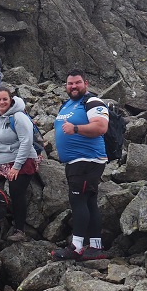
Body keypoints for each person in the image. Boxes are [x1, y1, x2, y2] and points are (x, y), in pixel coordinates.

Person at [50, 69, 109, 261]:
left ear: (86, 83)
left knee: (78, 201)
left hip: (87, 160)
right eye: (70, 83)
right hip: (75, 162)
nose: (73, 86)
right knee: (89, 201)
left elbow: (101, 127)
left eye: (77, 83)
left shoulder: (92, 102)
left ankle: (76, 247)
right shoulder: (68, 104)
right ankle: (95, 247)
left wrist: (75, 128)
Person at [0, 87, 40, 242]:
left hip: (22, 159)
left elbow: (27, 141)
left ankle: (20, 230)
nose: (2, 102)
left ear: (11, 99)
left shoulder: (18, 117)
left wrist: (16, 167)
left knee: (16, 190)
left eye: (5, 99)